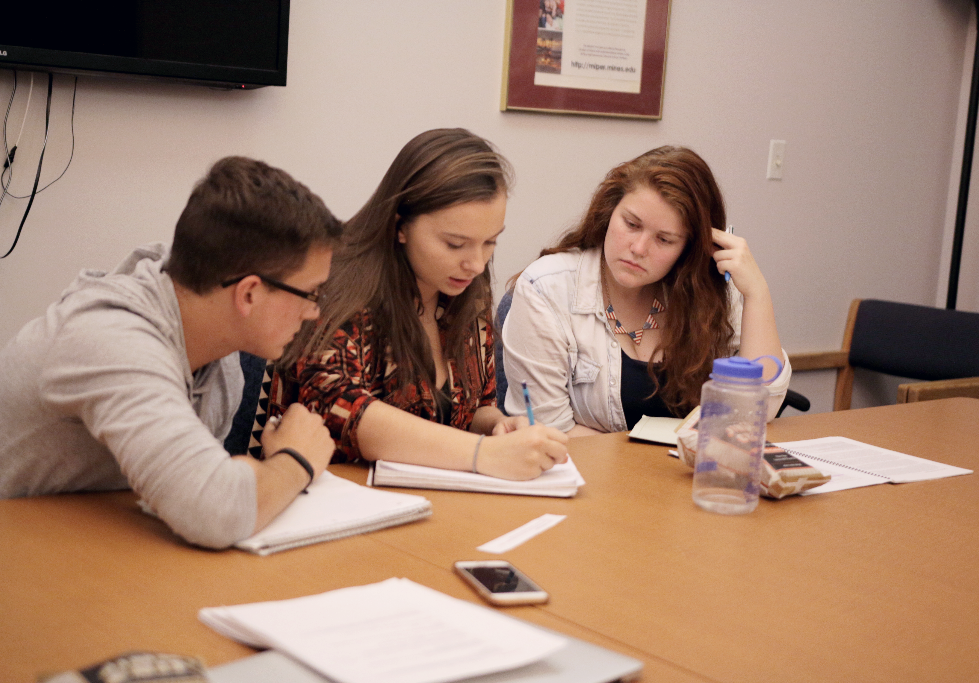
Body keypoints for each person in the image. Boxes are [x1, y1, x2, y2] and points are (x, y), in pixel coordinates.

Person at [0, 157, 342, 549]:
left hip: (86, 547)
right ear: (248, 293)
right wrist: (297, 459)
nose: (314, 312)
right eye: (310, 293)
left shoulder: (219, 348)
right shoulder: (113, 339)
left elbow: (212, 487)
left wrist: (240, 483)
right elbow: (215, 511)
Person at [271, 128, 568, 479]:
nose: (475, 263)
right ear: (401, 226)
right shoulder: (334, 286)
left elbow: (471, 409)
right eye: (455, 244)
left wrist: (497, 427)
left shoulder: (465, 288)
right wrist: (483, 453)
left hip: (434, 504)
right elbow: (341, 409)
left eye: (490, 242)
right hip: (334, 501)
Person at [502, 146, 791, 436]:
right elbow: (549, 433)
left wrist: (757, 292)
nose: (638, 249)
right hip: (592, 477)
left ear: (690, 248)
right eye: (631, 224)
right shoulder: (547, 289)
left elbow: (760, 410)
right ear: (609, 211)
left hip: (689, 474)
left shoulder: (711, 292)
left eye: (664, 240)